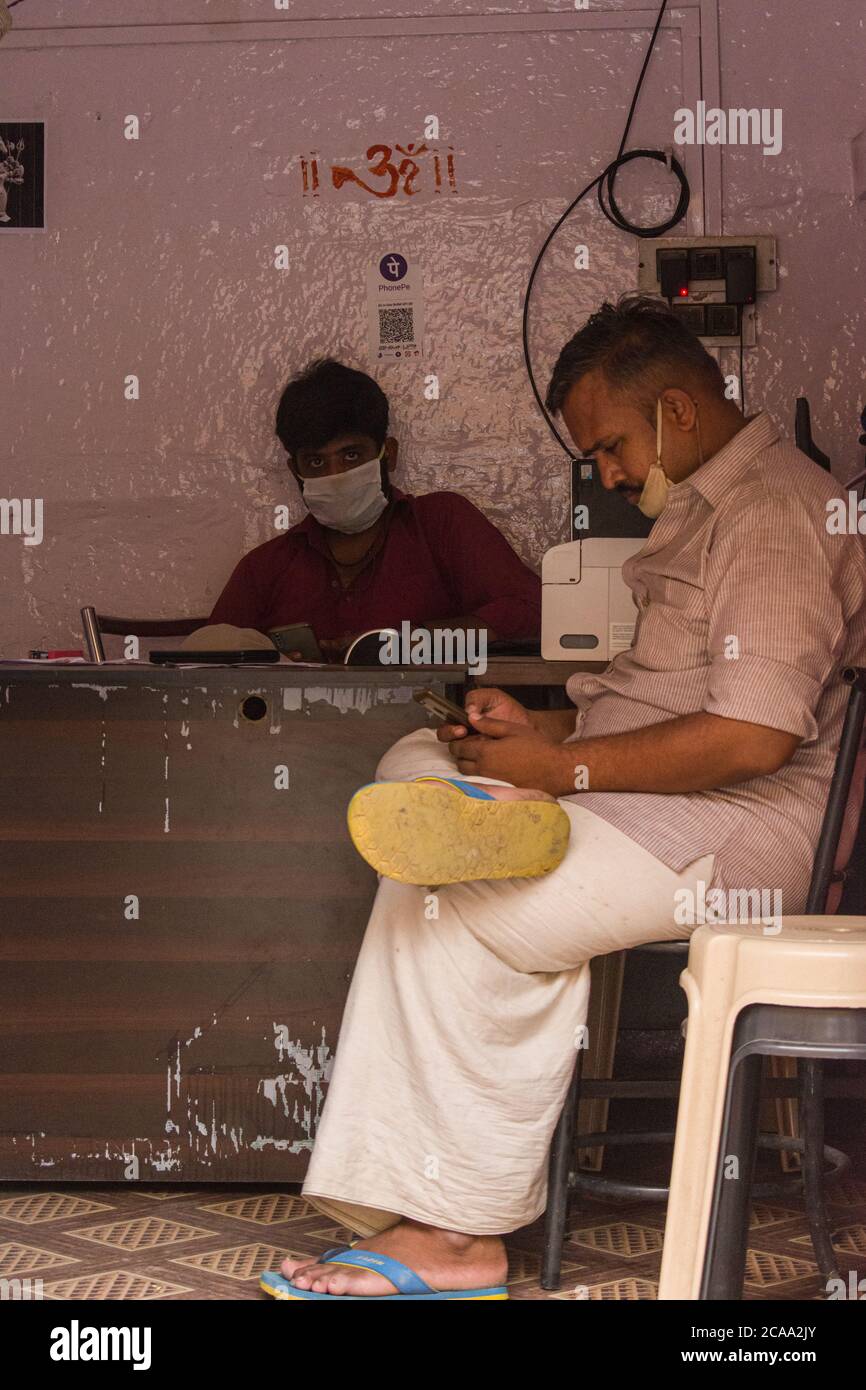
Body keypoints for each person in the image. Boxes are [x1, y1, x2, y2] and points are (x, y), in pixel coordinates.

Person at [259, 295, 866, 1300]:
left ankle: (454, 1244)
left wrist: (566, 771)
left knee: (453, 909)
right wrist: (540, 737)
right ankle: (492, 813)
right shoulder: (708, 507)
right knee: (419, 756)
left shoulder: (770, 514)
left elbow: (752, 736)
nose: (610, 473)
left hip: (742, 833)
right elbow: (661, 705)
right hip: (640, 802)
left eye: (612, 447)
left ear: (675, 410)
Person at [209, 358, 541, 660]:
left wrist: (407, 645)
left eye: (351, 455)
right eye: (315, 461)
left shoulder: (441, 524)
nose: (335, 475)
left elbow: (530, 612)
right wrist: (269, 662)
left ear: (388, 454)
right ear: (295, 470)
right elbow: (207, 660)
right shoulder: (265, 569)